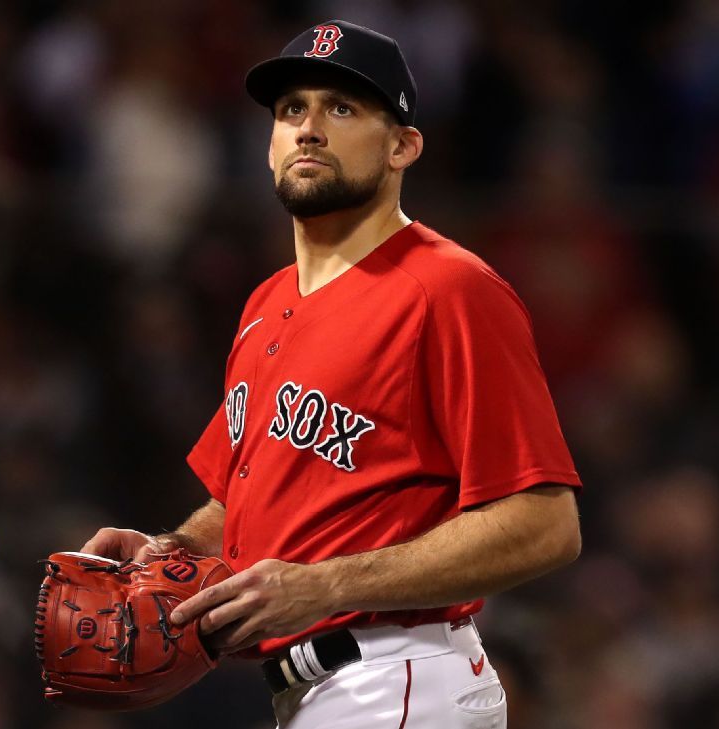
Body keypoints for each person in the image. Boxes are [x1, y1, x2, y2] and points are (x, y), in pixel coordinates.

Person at [82, 19, 582, 728]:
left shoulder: (448, 289)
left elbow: (546, 523)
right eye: (292, 110)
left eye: (341, 107)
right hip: (320, 691)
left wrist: (323, 585)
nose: (309, 128)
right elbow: (251, 508)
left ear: (403, 145)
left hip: (398, 672)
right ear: (270, 146)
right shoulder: (265, 304)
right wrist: (173, 552)